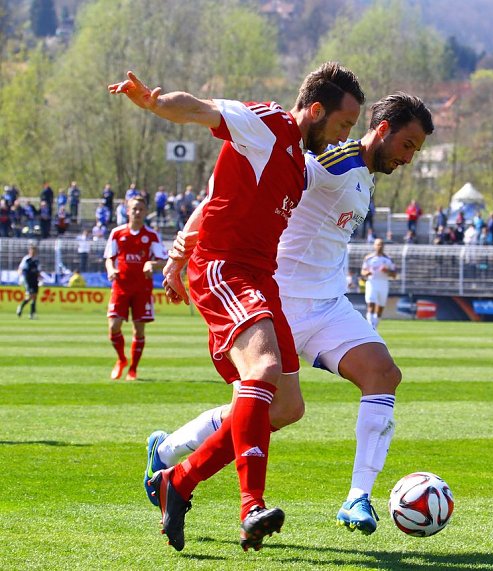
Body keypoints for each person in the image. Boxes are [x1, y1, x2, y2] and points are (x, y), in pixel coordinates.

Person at [143, 93, 433, 538]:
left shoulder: (362, 176)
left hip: (327, 305)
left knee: (380, 375)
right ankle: (176, 458)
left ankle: (357, 497)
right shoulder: (329, 162)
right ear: (383, 129)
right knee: (268, 405)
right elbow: (231, 193)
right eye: (408, 144)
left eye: (416, 150)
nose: (409, 157)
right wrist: (182, 248)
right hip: (277, 296)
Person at [109, 62, 364, 552]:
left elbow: (215, 198)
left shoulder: (297, 162)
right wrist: (156, 104)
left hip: (258, 276)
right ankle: (251, 507)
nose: (341, 137)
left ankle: (177, 481)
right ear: (315, 110)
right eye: (341, 125)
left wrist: (178, 250)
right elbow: (203, 110)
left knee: (287, 407)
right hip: (225, 269)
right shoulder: (268, 123)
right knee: (263, 368)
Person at [104, 197, 168, 381]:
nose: (137, 212)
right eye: (134, 209)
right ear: (127, 211)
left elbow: (164, 260)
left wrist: (152, 264)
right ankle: (121, 359)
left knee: (138, 330)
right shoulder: (117, 233)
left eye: (141, 209)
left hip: (142, 288)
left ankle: (133, 369)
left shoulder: (152, 235)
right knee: (113, 326)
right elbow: (109, 257)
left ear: (146, 212)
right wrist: (111, 269)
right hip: (121, 286)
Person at [362, 238, 398, 330]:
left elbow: (394, 275)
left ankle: (375, 326)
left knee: (380, 307)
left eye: (381, 244)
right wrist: (367, 273)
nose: (379, 246)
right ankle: (370, 326)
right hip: (372, 283)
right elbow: (363, 272)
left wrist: (387, 271)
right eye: (378, 244)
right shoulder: (368, 258)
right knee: (371, 303)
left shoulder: (388, 259)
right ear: (374, 246)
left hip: (383, 283)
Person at [16, 244, 40, 319]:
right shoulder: (26, 259)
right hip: (28, 280)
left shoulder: (37, 260)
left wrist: (40, 278)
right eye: (32, 250)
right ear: (29, 251)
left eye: (34, 251)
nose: (33, 252)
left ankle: (31, 313)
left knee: (34, 296)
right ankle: (22, 308)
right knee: (31, 296)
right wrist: (20, 277)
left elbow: (38, 271)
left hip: (35, 280)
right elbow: (20, 268)